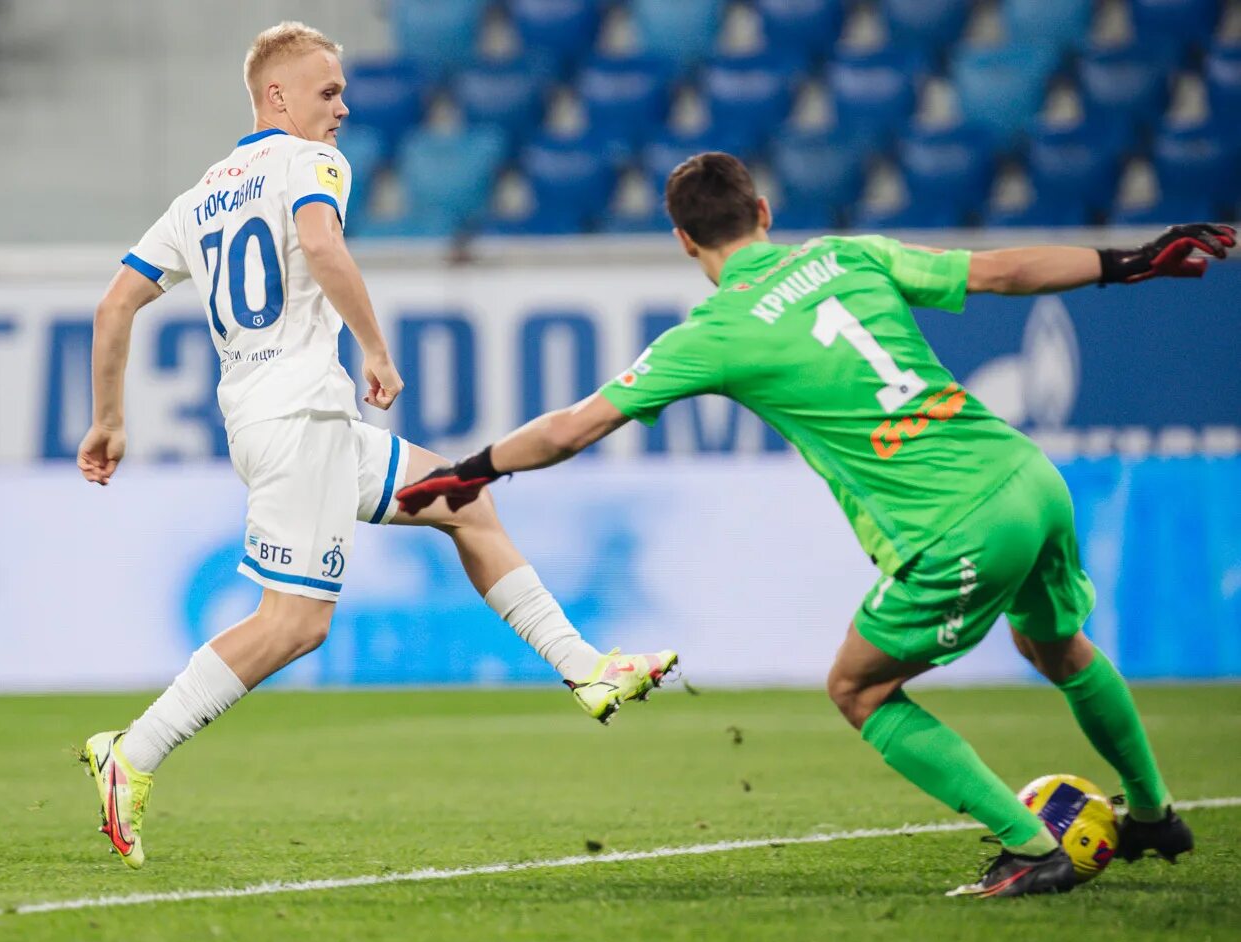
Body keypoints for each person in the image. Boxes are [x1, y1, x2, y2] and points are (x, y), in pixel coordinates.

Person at [396, 151, 1236, 898]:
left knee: (859, 688)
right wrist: (1127, 262)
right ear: (763, 213)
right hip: (1029, 478)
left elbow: (574, 426)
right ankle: (1157, 813)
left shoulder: (713, 333)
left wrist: (474, 469)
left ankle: (1030, 848)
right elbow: (1001, 271)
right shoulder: (847, 255)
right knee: (1057, 646)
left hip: (954, 526)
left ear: (686, 243)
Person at [72, 22, 675, 870]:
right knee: (295, 626)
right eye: (329, 92)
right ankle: (131, 752)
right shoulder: (310, 162)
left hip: (275, 419)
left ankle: (586, 668)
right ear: (276, 96)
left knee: (462, 497)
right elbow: (322, 244)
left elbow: (112, 307)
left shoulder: (200, 195)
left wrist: (107, 419)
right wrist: (377, 351)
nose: (344, 109)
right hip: (300, 422)